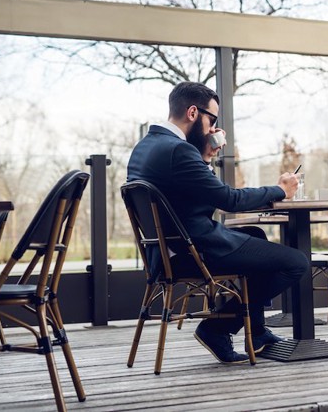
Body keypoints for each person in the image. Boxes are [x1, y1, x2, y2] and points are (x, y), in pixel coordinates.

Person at [127, 81, 308, 364]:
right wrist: (280, 190)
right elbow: (229, 199)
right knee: (296, 262)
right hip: (193, 252)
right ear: (192, 113)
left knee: (256, 235)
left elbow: (190, 193)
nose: (213, 128)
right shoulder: (179, 151)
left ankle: (257, 331)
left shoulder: (147, 146)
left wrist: (205, 155)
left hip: (166, 251)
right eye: (212, 119)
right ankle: (217, 328)